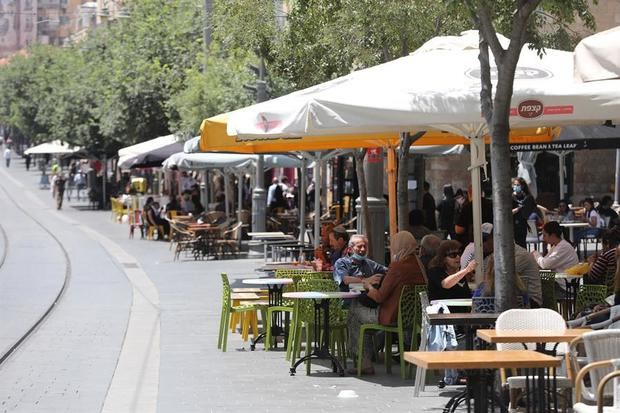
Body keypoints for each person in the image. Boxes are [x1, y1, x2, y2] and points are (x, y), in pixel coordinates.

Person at [347, 231, 426, 375]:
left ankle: (364, 361)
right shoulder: (419, 266)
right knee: (361, 315)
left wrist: (368, 286)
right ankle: (370, 354)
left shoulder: (397, 267)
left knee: (354, 311)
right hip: (413, 318)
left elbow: (379, 297)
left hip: (392, 316)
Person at [480, 224, 543, 307]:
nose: (482, 243)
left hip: (529, 302)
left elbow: (501, 275)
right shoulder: (494, 255)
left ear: (496, 238)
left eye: (484, 240)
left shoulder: (519, 255)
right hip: (510, 299)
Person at [427, 240, 476, 311]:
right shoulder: (435, 271)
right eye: (453, 255)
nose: (458, 257)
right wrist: (466, 270)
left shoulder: (459, 274)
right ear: (443, 258)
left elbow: (467, 296)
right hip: (441, 315)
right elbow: (445, 284)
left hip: (461, 316)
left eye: (459, 254)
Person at [512, 177, 538, 249]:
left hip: (521, 226)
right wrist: (518, 208)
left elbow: (528, 211)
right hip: (511, 226)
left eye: (517, 185)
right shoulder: (511, 198)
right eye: (514, 185)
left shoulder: (527, 198)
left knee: (521, 246)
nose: (515, 187)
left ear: (522, 186)